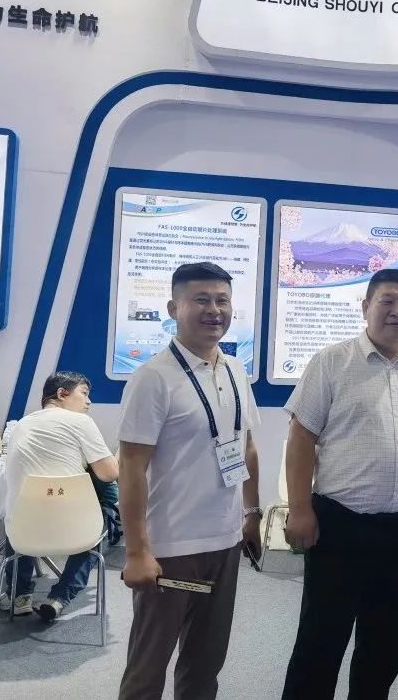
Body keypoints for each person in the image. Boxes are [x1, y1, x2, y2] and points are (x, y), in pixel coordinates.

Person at [281, 268, 398, 700]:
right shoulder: (332, 362)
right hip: (339, 526)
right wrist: (299, 508)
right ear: (366, 307)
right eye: (387, 301)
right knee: (320, 641)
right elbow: (301, 438)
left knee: (384, 645)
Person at [117, 262, 262, 700]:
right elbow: (131, 468)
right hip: (170, 548)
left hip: (225, 541)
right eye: (201, 299)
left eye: (222, 300)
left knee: (205, 664)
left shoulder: (235, 370)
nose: (214, 310)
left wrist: (252, 515)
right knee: (148, 668)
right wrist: (137, 551)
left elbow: (247, 447)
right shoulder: (153, 378)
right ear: (173, 308)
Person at [0, 372, 118, 621]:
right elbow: (109, 473)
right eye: (84, 393)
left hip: (23, 534)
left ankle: (19, 595)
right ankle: (60, 597)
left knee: (20, 510)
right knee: (106, 512)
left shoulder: (21, 425)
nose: (89, 402)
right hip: (76, 532)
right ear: (62, 393)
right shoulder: (81, 422)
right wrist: (123, 449)